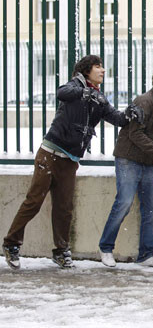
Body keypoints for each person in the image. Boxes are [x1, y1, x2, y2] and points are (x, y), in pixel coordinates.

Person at [2, 55, 143, 270]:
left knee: (64, 207)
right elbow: (61, 92)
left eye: (102, 67)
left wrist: (129, 114)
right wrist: (84, 92)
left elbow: (116, 118)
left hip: (70, 160)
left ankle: (61, 250)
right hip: (50, 154)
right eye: (98, 66)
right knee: (34, 201)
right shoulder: (75, 85)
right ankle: (11, 244)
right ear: (87, 71)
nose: (103, 70)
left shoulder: (99, 97)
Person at [98, 66, 153, 268]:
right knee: (124, 203)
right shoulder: (144, 101)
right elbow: (135, 134)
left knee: (151, 209)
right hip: (129, 158)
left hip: (148, 161)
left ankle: (146, 255)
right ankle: (106, 248)